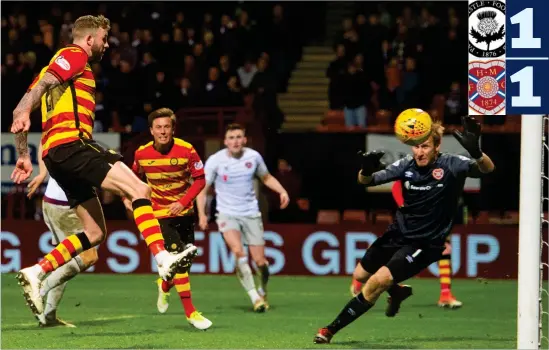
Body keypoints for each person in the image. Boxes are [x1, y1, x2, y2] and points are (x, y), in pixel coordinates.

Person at [10, 14, 196, 316]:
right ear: (88, 39)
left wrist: (22, 154)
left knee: (94, 234)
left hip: (54, 157)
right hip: (73, 145)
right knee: (139, 187)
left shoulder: (46, 71)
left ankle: (37, 271)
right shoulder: (74, 55)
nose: (107, 45)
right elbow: (40, 90)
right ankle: (163, 258)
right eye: (104, 39)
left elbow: (21, 109)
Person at [314, 116, 495, 344]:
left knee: (376, 282)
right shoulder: (405, 165)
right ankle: (397, 291)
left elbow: (487, 169)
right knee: (360, 274)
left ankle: (329, 330)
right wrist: (366, 170)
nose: (419, 152)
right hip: (397, 234)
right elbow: (366, 181)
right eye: (416, 146)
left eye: (425, 146)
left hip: (425, 243)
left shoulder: (451, 164)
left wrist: (476, 153)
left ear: (437, 146)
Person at [125, 107, 212, 330]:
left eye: (166, 127)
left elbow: (200, 180)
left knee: (183, 264)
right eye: (158, 127)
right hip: (158, 215)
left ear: (173, 129)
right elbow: (135, 181)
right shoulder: (141, 154)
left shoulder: (187, 150)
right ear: (151, 130)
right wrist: (130, 198)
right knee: (177, 260)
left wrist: (182, 203)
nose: (163, 131)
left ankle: (164, 285)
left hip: (184, 213)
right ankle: (191, 313)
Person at [196, 123, 290, 312]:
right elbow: (202, 189)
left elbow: (266, 177)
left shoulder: (253, 157)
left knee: (261, 263)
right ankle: (255, 298)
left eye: (239, 137)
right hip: (226, 213)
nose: (235, 141)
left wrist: (282, 191)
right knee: (239, 253)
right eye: (231, 138)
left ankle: (263, 289)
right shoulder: (216, 160)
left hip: (250, 213)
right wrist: (202, 214)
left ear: (245, 140)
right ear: (225, 141)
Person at [349, 180, 463, 309]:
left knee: (445, 249)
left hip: (433, 217)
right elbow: (397, 185)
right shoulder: (420, 168)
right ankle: (360, 280)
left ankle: (445, 294)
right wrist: (403, 206)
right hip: (412, 217)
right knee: (387, 247)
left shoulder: (447, 172)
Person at [25, 145, 98, 328]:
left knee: (65, 259)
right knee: (89, 256)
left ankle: (49, 315)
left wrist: (42, 173)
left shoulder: (60, 128)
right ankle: (40, 289)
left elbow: (44, 141)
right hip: (67, 206)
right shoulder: (78, 126)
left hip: (53, 201)